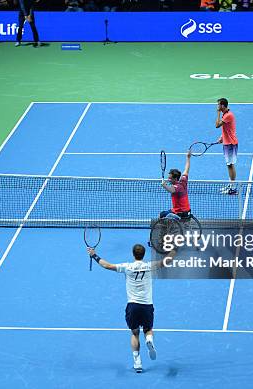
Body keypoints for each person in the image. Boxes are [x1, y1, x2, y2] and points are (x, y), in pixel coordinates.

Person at [87, 243, 176, 373]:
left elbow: (107, 265)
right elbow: (165, 261)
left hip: (132, 306)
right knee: (148, 329)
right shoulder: (149, 266)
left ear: (133, 254)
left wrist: (93, 255)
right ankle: (149, 339)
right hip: (147, 306)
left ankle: (137, 362)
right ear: (143, 254)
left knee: (135, 333)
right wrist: (175, 250)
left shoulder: (127, 267)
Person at [215, 98, 238, 195]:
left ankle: (233, 188)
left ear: (223, 106)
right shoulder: (226, 114)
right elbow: (228, 128)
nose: (217, 107)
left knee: (230, 165)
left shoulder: (228, 115)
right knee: (229, 165)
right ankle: (231, 185)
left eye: (219, 105)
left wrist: (218, 113)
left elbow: (217, 125)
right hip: (227, 143)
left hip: (230, 144)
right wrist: (222, 137)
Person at [160, 151, 192, 220]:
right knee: (169, 211)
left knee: (162, 214)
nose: (168, 179)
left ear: (175, 179)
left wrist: (164, 185)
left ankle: (167, 229)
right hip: (188, 211)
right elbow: (186, 169)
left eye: (170, 178)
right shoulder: (183, 180)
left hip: (181, 213)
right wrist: (188, 158)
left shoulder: (177, 187)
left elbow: (171, 190)